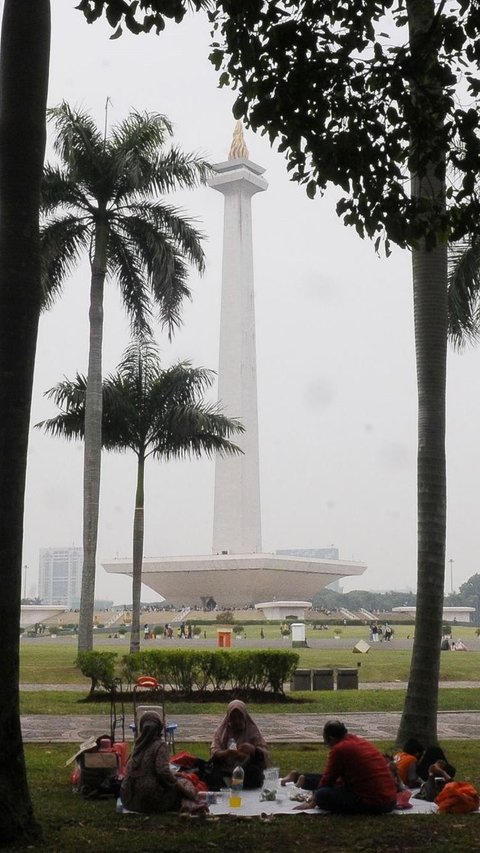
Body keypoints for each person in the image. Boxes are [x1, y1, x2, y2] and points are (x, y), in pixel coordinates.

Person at [292, 720, 397, 814]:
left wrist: (315, 799)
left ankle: (303, 779)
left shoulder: (340, 749)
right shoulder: (359, 741)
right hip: (390, 798)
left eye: (326, 743)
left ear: (331, 739)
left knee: (322, 795)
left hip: (375, 802)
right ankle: (304, 778)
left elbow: (328, 780)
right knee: (326, 784)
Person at [120, 711, 205, 814]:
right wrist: (180, 786)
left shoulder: (137, 745)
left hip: (129, 800)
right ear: (159, 727)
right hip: (150, 800)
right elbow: (163, 771)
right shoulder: (160, 746)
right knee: (185, 782)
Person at [207, 699, 268, 790]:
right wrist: (227, 753)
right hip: (225, 768)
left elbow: (264, 753)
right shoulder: (222, 731)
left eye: (240, 717)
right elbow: (214, 751)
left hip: (246, 768)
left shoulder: (251, 730)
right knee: (212, 775)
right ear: (229, 718)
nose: (237, 721)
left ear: (245, 717)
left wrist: (252, 749)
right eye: (233, 718)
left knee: (254, 774)